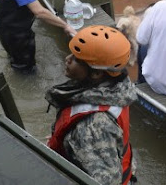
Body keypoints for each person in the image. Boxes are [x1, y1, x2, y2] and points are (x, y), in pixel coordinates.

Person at [46, 25, 137, 185]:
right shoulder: (116, 87)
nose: (67, 59)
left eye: (76, 60)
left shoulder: (92, 128)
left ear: (96, 73)